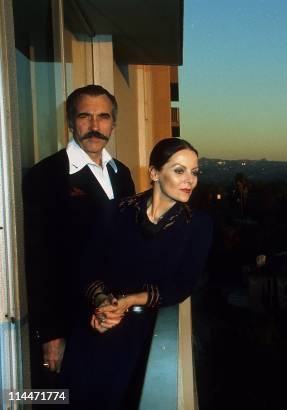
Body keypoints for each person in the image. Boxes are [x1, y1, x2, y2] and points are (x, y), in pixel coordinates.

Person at [59, 138, 213, 409]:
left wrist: (129, 301)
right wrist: (102, 303)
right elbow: (86, 268)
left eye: (194, 172)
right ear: (154, 173)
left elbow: (182, 285)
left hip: (142, 336)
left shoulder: (198, 225)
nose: (190, 179)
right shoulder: (115, 211)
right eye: (179, 170)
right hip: (96, 324)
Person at [23, 85, 135, 383]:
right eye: (85, 116)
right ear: (71, 122)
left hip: (115, 317)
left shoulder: (121, 174)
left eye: (104, 117)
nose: (95, 126)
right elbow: (38, 259)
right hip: (70, 321)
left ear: (114, 123)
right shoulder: (45, 176)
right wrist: (50, 333)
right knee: (64, 400)